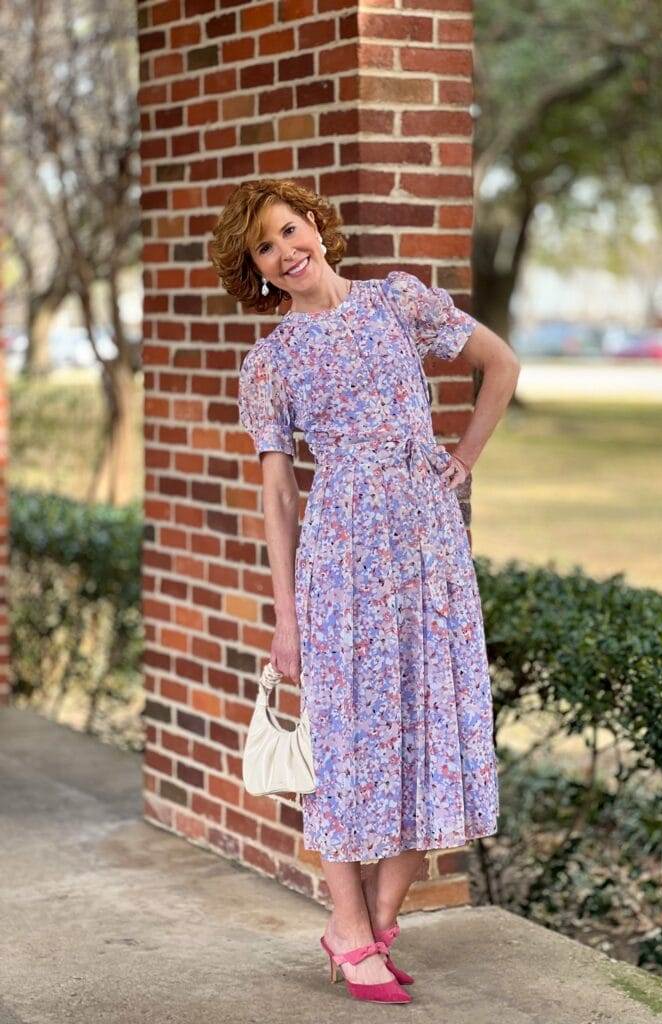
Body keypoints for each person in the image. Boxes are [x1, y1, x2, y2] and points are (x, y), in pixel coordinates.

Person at [210, 177, 520, 1004]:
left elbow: (500, 364)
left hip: (429, 552)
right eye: (264, 249)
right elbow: (277, 495)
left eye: (288, 229)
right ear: (258, 272)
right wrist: (286, 616)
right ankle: (353, 926)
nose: (285, 252)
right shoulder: (270, 360)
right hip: (340, 560)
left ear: (315, 223)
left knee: (433, 727)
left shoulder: (396, 302)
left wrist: (464, 460)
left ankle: (370, 922)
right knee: (347, 747)